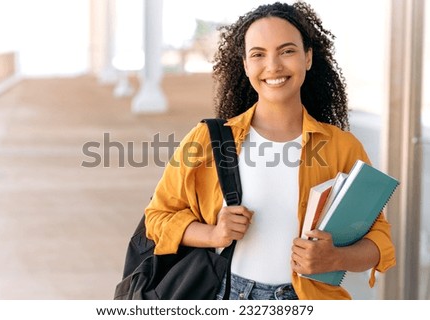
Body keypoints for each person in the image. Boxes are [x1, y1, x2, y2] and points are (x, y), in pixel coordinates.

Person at [145, 1, 396, 300]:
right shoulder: (207, 140)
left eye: (287, 51)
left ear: (308, 58)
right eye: (258, 54)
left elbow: (378, 237)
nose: (273, 66)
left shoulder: (342, 147)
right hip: (226, 296)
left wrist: (337, 258)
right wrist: (213, 234)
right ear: (246, 65)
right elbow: (158, 217)